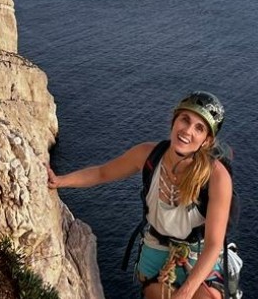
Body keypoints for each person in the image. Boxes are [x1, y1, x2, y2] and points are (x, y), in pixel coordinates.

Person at [46, 91, 233, 299]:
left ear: (206, 141)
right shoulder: (148, 155)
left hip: (200, 255)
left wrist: (184, 294)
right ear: (174, 120)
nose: (187, 131)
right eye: (185, 119)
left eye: (199, 128)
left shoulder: (216, 177)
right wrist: (61, 180)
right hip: (157, 248)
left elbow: (214, 244)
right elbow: (102, 173)